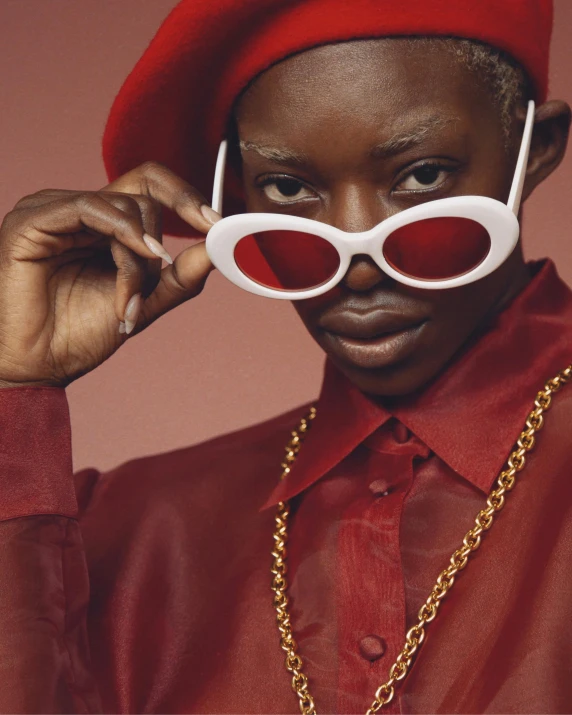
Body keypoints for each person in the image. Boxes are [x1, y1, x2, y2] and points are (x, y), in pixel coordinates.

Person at [0, 0, 570, 712]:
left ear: (536, 150)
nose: (357, 258)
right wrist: (12, 388)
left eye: (422, 175)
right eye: (290, 189)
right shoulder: (115, 534)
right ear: (235, 201)